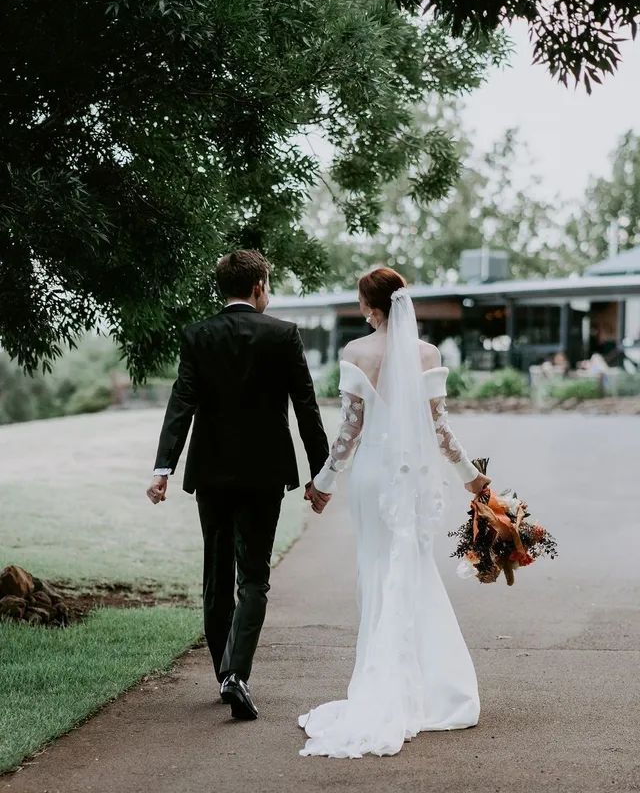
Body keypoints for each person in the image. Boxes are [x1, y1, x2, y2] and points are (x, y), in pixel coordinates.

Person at [298, 267, 491, 758]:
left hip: (372, 479)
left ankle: (382, 685)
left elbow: (349, 433)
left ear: (369, 307)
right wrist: (471, 476)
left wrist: (322, 484)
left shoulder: (356, 353)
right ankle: (430, 687)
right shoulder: (427, 355)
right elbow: (441, 432)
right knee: (413, 568)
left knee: (378, 567)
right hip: (412, 480)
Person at [146, 249, 330, 721]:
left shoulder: (198, 336)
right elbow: (306, 409)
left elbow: (181, 403)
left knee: (216, 573)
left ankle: (223, 674)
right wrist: (320, 475)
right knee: (254, 578)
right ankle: (235, 674)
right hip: (265, 474)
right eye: (266, 285)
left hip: (211, 473)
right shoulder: (284, 335)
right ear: (257, 287)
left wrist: (163, 468)